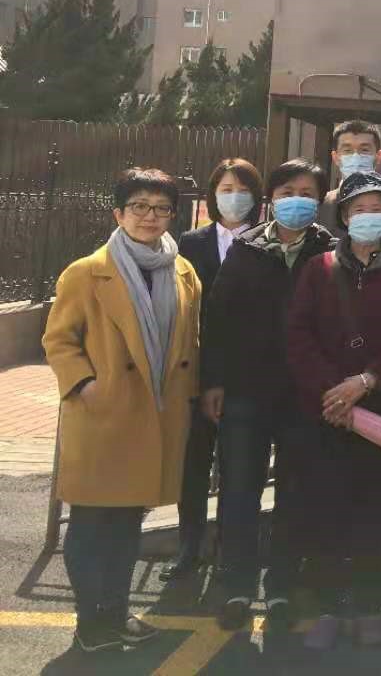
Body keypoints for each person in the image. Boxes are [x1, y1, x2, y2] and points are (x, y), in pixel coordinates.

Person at [42, 169, 202, 653]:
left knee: (127, 525)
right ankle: (90, 622)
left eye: (162, 208)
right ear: (118, 213)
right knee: (92, 524)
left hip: (156, 416)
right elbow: (59, 340)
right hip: (105, 416)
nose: (150, 216)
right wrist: (85, 385)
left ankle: (114, 612)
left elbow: (191, 340)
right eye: (139, 206)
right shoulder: (86, 272)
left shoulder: (183, 271)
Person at [286, 169, 381, 650]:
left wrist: (366, 382)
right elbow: (298, 335)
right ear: (343, 216)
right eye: (358, 209)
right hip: (326, 412)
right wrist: (334, 391)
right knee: (325, 511)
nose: (368, 216)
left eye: (377, 209)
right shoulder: (318, 268)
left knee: (374, 513)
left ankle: (368, 605)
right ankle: (328, 605)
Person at [201, 159, 337, 632]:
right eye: (286, 192)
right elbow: (217, 318)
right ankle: (236, 587)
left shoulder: (330, 251)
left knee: (296, 493)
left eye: (307, 192)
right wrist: (214, 381)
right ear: (271, 199)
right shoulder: (247, 248)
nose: (296, 200)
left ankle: (282, 587)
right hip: (247, 391)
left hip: (306, 395)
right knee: (239, 490)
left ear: (319, 201)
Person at [164, 159, 263, 583]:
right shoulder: (192, 242)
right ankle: (189, 547)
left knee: (238, 471)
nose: (234, 197)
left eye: (243, 189)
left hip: (246, 376)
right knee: (193, 464)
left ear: (257, 197)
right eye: (225, 189)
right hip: (198, 371)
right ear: (212, 195)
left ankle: (228, 550)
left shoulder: (266, 241)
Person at [316, 120, 381, 234]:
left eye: (364, 150)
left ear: (378, 156)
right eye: (347, 150)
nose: (355, 156)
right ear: (335, 157)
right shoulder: (320, 207)